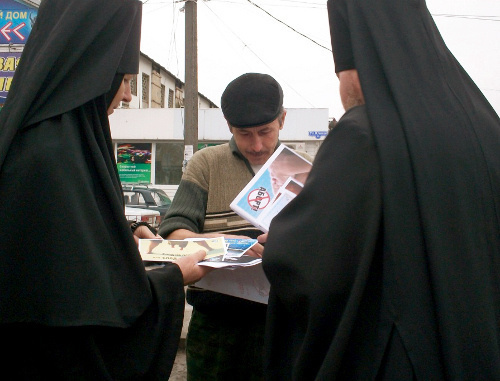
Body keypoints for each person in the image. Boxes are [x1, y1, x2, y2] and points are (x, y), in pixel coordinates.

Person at [262, 0, 500, 379]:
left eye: (340, 71)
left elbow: (309, 267)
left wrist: (281, 238)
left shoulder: (365, 134)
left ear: (358, 67)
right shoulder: (487, 128)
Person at [0, 0, 210, 378]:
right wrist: (173, 278)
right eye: (126, 79)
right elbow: (84, 315)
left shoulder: (55, 144)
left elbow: (69, 250)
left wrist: (124, 233)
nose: (128, 95)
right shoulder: (51, 159)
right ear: (93, 71)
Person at [158, 72, 312, 380]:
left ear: (282, 119)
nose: (256, 145)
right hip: (216, 326)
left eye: (265, 131)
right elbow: (175, 233)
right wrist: (228, 244)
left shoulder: (307, 171)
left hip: (283, 322)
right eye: (244, 134)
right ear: (229, 126)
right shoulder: (206, 164)